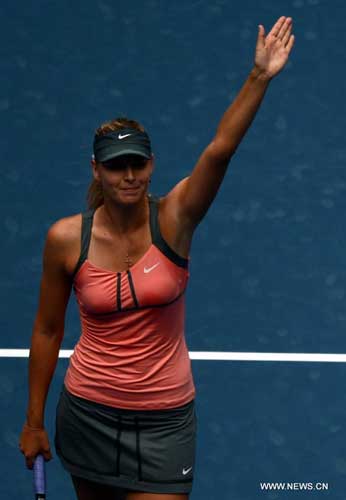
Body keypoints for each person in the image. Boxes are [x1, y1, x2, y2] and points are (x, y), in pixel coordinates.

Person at [19, 16, 295, 500]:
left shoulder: (175, 219)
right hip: (87, 416)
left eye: (138, 164)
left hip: (166, 423)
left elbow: (219, 152)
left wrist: (259, 77)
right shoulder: (65, 239)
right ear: (96, 170)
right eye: (116, 166)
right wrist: (33, 421)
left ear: (152, 164)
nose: (129, 176)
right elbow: (46, 330)